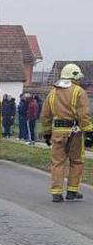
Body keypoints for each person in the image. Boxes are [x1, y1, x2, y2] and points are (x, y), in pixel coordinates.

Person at [41, 64, 93, 202]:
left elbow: (45, 115)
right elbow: (84, 114)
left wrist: (46, 133)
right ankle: (72, 191)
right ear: (74, 76)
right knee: (76, 161)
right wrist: (89, 132)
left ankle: (56, 193)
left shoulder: (52, 93)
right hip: (75, 133)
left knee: (57, 163)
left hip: (57, 133)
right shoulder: (79, 92)